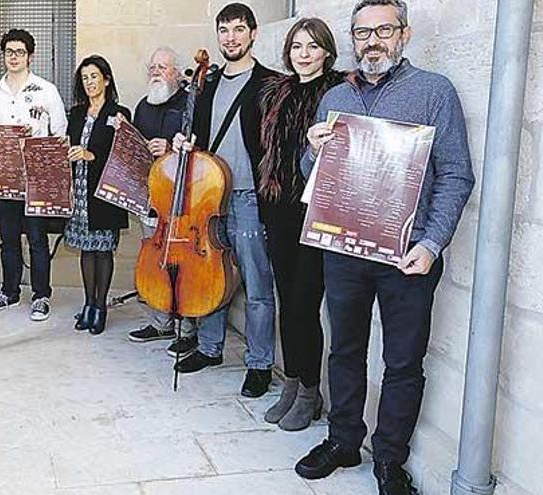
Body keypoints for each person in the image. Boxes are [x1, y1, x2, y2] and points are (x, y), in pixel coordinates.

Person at [293, 2, 475, 494]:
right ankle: (343, 439)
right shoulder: (334, 97)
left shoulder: (435, 91)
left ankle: (390, 459)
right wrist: (311, 150)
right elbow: (314, 178)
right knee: (346, 349)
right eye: (362, 32)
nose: (372, 40)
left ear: (404, 34)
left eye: (383, 30)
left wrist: (433, 244)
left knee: (403, 361)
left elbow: (457, 174)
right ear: (352, 38)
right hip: (345, 250)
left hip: (407, 255)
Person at [171, 3, 279, 400]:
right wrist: (185, 142)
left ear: (253, 33)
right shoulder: (209, 83)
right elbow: (199, 134)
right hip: (208, 197)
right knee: (209, 273)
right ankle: (210, 348)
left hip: (249, 197)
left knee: (256, 283)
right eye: (224, 30)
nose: (230, 37)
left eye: (238, 29)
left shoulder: (270, 83)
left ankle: (259, 363)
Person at [257, 18, 344, 431]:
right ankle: (292, 382)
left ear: (327, 51)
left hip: (317, 212)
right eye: (296, 47)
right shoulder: (277, 92)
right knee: (286, 301)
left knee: (305, 305)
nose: (303, 54)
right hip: (279, 209)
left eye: (312, 46)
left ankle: (311, 391)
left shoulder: (342, 90)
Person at [0, 29, 67, 321]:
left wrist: (41, 144)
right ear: (3, 55)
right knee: (8, 239)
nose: (14, 57)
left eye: (20, 52)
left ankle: (41, 296)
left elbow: (61, 133)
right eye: (9, 52)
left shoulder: (46, 90)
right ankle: (9, 292)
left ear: (30, 56)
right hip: (3, 179)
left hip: (36, 180)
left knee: (38, 239)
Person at [125, 47, 199, 354]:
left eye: (163, 67)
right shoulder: (144, 105)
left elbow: (201, 146)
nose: (156, 72)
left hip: (184, 199)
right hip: (153, 197)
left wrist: (169, 147)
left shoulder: (191, 104)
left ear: (178, 73)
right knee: (156, 262)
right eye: (152, 67)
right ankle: (160, 322)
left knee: (184, 266)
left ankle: (188, 328)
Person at [65, 55, 131, 335]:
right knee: (86, 249)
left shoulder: (119, 114)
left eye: (94, 76)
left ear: (106, 79)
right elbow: (66, 145)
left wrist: (92, 155)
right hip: (79, 191)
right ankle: (88, 304)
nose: (89, 82)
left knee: (103, 251)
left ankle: (101, 307)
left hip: (103, 194)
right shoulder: (77, 113)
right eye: (85, 78)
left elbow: (124, 156)